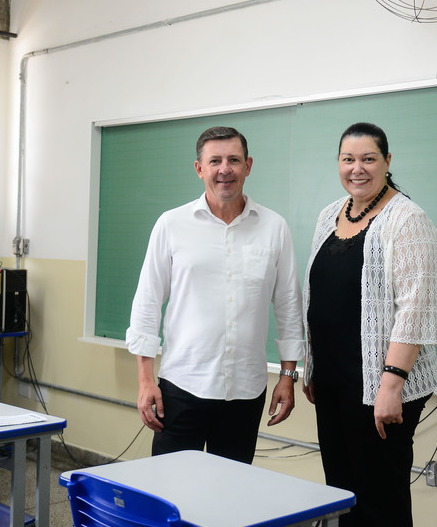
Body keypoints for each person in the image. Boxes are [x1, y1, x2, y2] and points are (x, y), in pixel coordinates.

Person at [126, 126, 305, 465]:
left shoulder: (274, 227)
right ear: (200, 169)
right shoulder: (171, 224)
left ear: (248, 166)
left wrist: (287, 375)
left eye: (234, 160)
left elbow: (288, 306)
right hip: (180, 388)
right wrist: (145, 380)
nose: (225, 169)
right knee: (171, 492)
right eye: (216, 161)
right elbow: (147, 303)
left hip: (246, 392)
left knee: (231, 499)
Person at [302, 122, 437, 527]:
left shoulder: (407, 220)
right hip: (332, 383)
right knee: (341, 495)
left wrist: (391, 385)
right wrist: (311, 367)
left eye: (368, 159)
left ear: (387, 161)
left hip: (379, 388)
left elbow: (415, 310)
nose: (357, 169)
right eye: (348, 159)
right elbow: (318, 295)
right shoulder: (330, 214)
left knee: (381, 501)